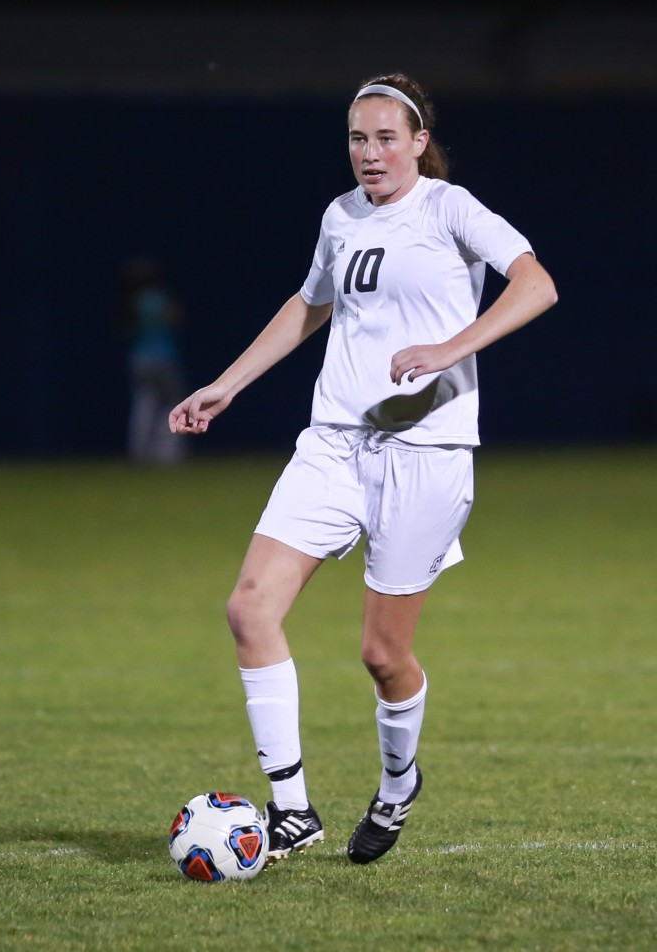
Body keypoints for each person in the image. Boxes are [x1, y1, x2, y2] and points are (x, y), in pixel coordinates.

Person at [169, 73, 557, 865]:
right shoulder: (340, 217)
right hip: (333, 447)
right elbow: (309, 305)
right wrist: (226, 383)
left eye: (386, 138)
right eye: (357, 138)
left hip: (425, 454)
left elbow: (537, 285)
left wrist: (452, 349)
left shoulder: (450, 207)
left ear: (418, 142)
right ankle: (292, 810)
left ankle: (396, 781)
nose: (370, 153)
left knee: (382, 656)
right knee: (249, 610)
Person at [118, 257, 187, 464]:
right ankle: (167, 454)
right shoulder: (159, 298)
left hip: (140, 359)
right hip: (163, 358)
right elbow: (177, 318)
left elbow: (123, 328)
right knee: (173, 404)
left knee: (144, 405)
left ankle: (139, 452)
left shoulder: (131, 302)